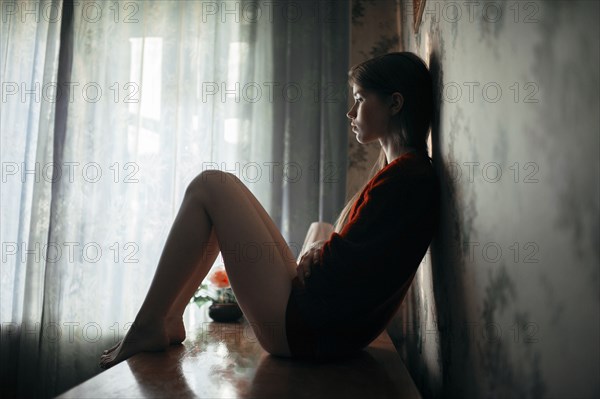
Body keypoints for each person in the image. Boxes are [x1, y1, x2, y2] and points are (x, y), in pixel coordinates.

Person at [99, 52, 438, 368]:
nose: (351, 112)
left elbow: (342, 274)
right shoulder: (401, 173)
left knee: (210, 186)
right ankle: (169, 318)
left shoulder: (406, 179)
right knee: (265, 208)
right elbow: (356, 262)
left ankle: (149, 324)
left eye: (361, 99)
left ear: (395, 103)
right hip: (320, 329)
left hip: (305, 331)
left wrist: (318, 254)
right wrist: (318, 247)